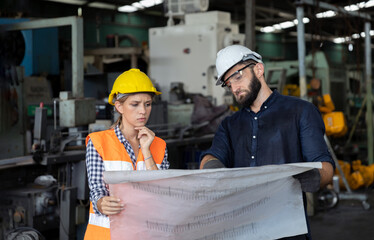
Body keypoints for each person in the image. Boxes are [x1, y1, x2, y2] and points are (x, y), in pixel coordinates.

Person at [199, 45, 335, 239]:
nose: (234, 88)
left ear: (259, 69)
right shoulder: (229, 125)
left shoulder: (301, 112)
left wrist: (312, 176)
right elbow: (212, 156)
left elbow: (325, 166)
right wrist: (212, 171)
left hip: (288, 230)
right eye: (228, 84)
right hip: (242, 229)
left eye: (237, 76)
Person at [84, 69, 170, 240]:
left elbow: (162, 195)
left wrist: (146, 151)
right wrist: (101, 203)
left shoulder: (159, 145)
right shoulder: (98, 142)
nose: (143, 111)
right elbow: (97, 191)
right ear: (119, 106)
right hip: (106, 235)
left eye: (148, 104)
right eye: (135, 104)